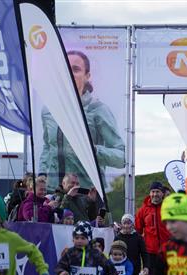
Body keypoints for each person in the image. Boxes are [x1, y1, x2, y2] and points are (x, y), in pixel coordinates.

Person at [40, 50, 125, 192]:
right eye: (65, 69)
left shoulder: (98, 110)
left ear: (87, 76)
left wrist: (95, 151)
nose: (69, 73)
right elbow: (48, 147)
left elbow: (122, 157)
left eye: (76, 69)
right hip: (54, 193)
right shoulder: (48, 110)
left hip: (86, 194)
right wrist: (42, 174)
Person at [136, 181, 170, 275]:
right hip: (150, 252)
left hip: (167, 250)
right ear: (150, 193)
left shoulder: (169, 208)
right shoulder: (143, 210)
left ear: (162, 193)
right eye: (153, 192)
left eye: (158, 192)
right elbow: (138, 230)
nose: (155, 194)